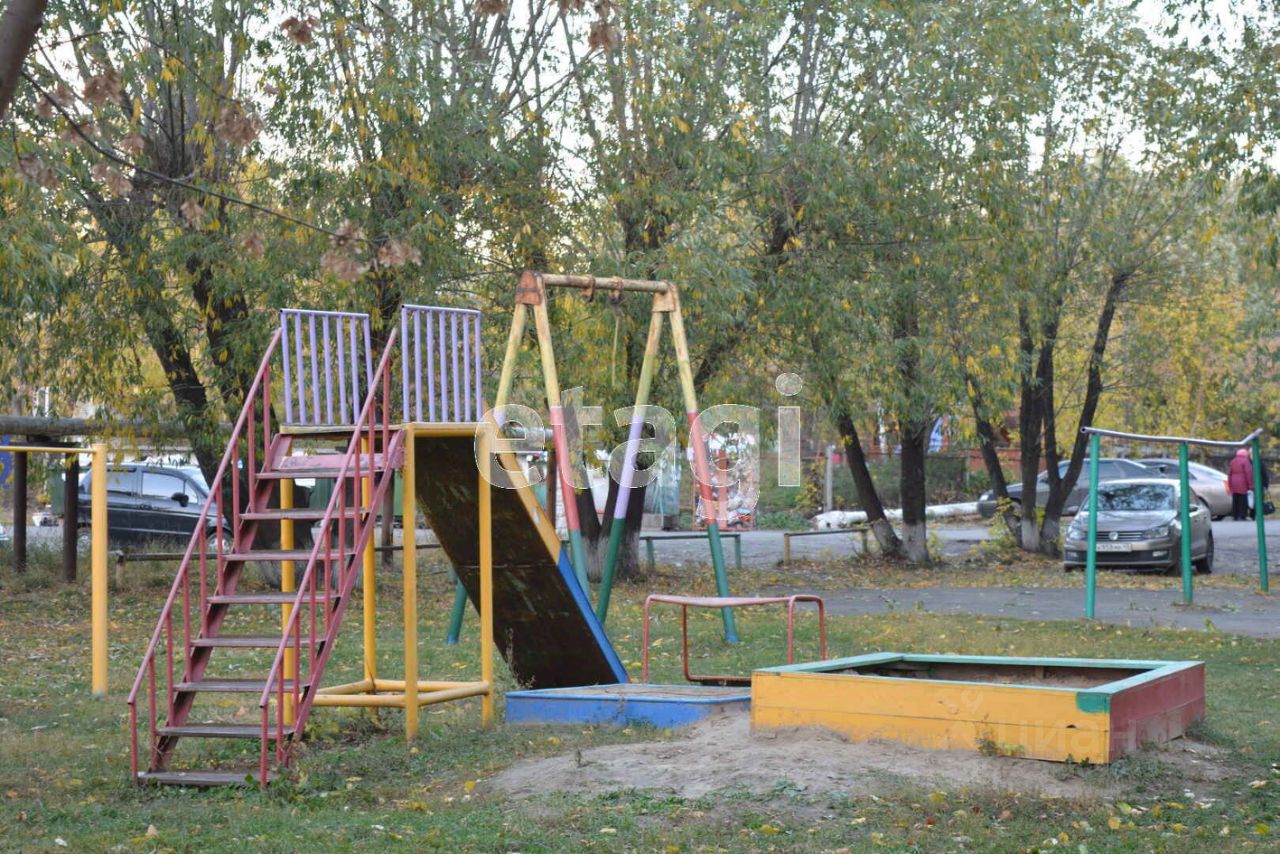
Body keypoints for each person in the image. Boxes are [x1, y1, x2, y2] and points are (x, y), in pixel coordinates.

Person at [1228, 447, 1254, 521]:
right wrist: (1251, 485)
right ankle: (1242, 515)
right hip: (1242, 482)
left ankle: (1235, 515)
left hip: (1233, 481)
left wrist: (1230, 484)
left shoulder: (1233, 461)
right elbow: (1248, 473)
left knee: (1235, 499)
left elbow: (1229, 473)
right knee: (1243, 499)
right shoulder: (1245, 461)